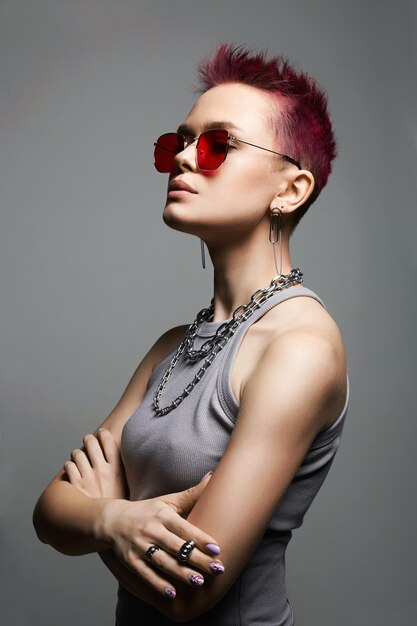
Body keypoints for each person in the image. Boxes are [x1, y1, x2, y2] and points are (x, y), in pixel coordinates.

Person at [33, 42, 349, 625]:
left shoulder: (299, 348)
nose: (183, 157)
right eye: (177, 142)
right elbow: (49, 511)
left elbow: (194, 588)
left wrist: (103, 508)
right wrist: (116, 521)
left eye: (216, 145)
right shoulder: (174, 342)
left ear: (290, 189)